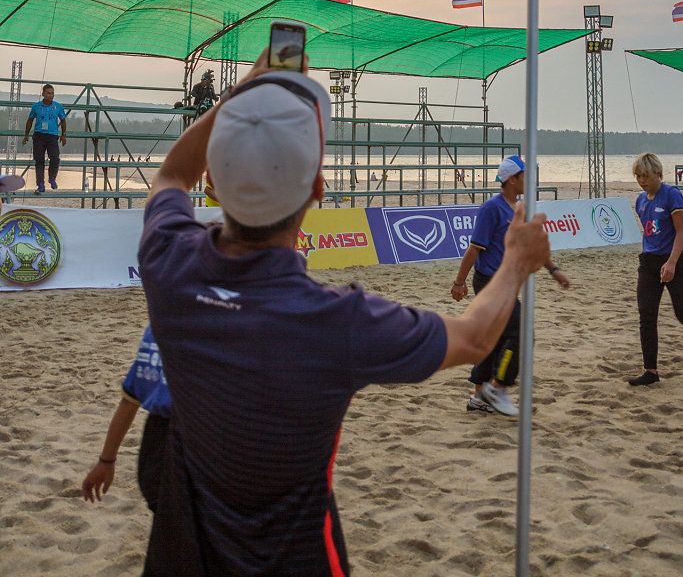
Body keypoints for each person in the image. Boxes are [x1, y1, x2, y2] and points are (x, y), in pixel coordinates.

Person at [138, 51, 551, 577]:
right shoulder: (335, 320)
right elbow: (474, 338)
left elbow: (171, 174)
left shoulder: (171, 266)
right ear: (316, 189)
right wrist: (516, 263)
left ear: (215, 178)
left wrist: (241, 97)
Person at [450, 155, 570, 417]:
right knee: (522, 332)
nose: (531, 180)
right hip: (490, 283)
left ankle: (479, 396)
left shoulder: (520, 209)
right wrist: (459, 282)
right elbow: (473, 249)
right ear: (512, 179)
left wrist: (554, 271)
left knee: (497, 337)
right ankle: (498, 387)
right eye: (527, 175)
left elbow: (533, 244)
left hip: (507, 282)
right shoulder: (492, 208)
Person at [82, 326, 171, 512]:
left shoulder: (157, 329)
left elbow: (129, 401)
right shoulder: (225, 325)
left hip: (158, 444)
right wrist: (106, 461)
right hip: (194, 437)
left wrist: (106, 460)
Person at [629, 152, 683, 386]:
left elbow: (681, 232)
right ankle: (651, 371)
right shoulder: (641, 200)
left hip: (674, 261)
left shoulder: (671, 195)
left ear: (659, 174)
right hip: (648, 263)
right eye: (638, 176)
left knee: (681, 314)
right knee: (646, 315)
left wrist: (671, 263)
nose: (642, 180)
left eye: (646, 176)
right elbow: (650, 233)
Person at [22, 83, 67, 194]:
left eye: (52, 93)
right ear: (43, 94)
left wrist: (63, 135)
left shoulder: (58, 106)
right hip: (39, 136)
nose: (50, 95)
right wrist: (26, 135)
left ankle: (52, 178)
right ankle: (40, 184)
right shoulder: (36, 106)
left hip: (52, 136)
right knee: (39, 160)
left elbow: (63, 120)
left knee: (55, 158)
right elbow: (30, 120)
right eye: (48, 93)